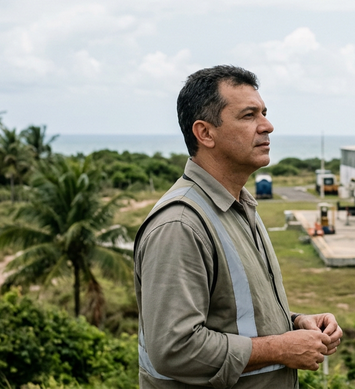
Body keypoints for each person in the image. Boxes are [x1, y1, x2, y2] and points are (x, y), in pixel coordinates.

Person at [134, 66, 343, 388]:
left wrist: (296, 324)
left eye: (264, 113)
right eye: (249, 116)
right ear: (205, 133)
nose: (267, 126)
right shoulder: (180, 225)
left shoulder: (239, 206)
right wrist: (279, 348)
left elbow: (234, 318)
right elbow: (174, 350)